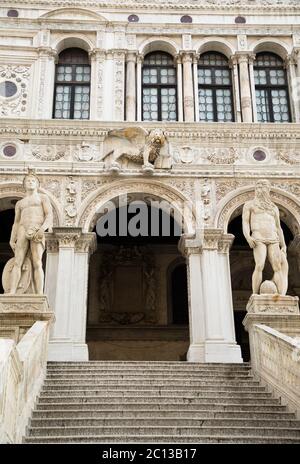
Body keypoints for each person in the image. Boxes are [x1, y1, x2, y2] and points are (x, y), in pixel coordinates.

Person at [8, 171, 53, 294]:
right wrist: (12, 239)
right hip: (22, 228)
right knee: (18, 261)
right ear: (24, 185)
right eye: (28, 181)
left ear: (37, 184)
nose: (30, 182)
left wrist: (42, 229)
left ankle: (39, 293)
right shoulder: (20, 203)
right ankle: (12, 291)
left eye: (33, 180)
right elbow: (16, 222)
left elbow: (49, 215)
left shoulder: (42, 198)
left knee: (37, 261)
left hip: (36, 228)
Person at [242, 179, 288, 295]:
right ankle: (255, 294)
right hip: (258, 237)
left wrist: (283, 244)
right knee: (260, 264)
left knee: (277, 266)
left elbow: (278, 227)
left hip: (273, 238)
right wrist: (248, 237)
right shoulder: (250, 205)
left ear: (268, 190)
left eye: (263, 187)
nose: (260, 190)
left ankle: (281, 295)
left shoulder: (273, 207)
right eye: (258, 187)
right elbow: (245, 222)